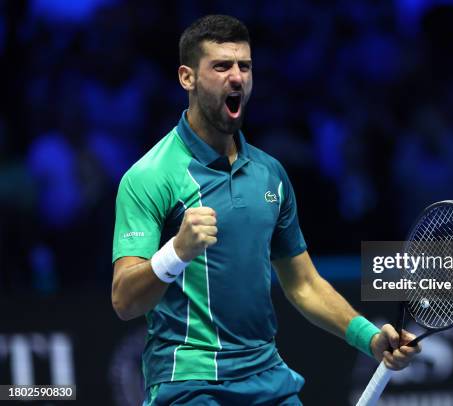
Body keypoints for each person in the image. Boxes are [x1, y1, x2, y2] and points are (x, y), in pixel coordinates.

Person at [111, 14, 420, 405]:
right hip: (190, 384)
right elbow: (124, 300)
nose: (237, 77)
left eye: (245, 66)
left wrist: (370, 338)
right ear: (187, 78)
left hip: (268, 379)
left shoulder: (269, 174)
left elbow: (303, 283)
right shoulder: (149, 177)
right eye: (221, 66)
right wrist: (176, 252)